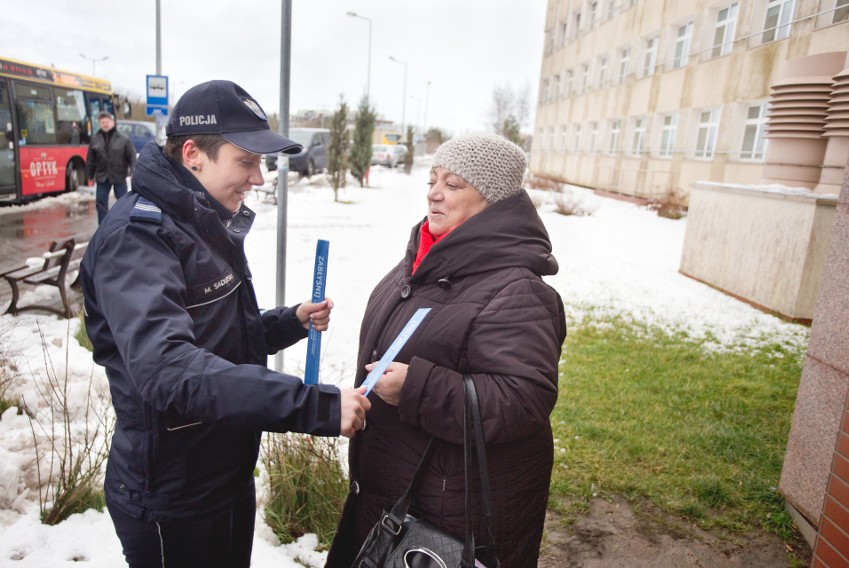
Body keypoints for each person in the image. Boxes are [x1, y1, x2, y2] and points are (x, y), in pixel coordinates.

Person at [80, 80, 371, 568]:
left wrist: (286, 322)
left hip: (222, 477)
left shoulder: (197, 220)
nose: (259, 178)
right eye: (246, 161)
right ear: (193, 153)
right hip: (174, 497)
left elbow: (213, 335)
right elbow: (169, 368)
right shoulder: (137, 238)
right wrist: (312, 407)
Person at [326, 134, 567, 567]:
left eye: (454, 185)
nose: (434, 193)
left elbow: (524, 398)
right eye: (433, 179)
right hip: (393, 492)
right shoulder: (424, 262)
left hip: (446, 516)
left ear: (491, 199)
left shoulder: (518, 290)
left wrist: (416, 387)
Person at [85, 110, 137, 224]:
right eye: (102, 122)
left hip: (119, 175)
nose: (105, 124)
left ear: (112, 122)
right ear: (99, 124)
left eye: (107, 121)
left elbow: (132, 156)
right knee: (101, 202)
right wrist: (89, 175)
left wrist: (133, 171)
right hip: (102, 176)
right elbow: (90, 159)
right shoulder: (95, 139)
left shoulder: (124, 139)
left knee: (123, 203)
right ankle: (103, 227)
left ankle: (124, 224)